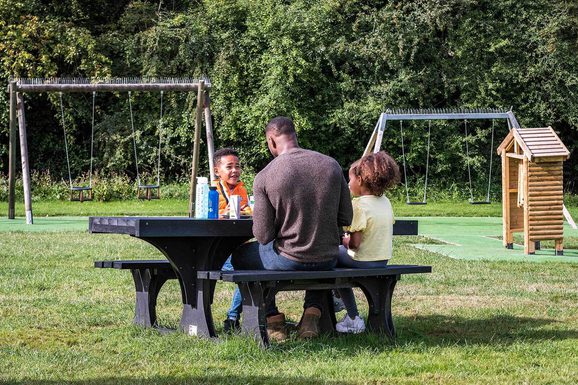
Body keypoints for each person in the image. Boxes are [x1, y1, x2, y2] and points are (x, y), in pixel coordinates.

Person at [232, 116, 353, 341]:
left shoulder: (266, 175)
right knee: (316, 256)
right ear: (295, 136)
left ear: (271, 141)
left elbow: (263, 235)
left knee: (240, 256)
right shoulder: (331, 165)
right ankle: (312, 313)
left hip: (288, 258)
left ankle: (273, 320)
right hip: (328, 257)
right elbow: (346, 216)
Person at [335, 151, 400, 333]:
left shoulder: (359, 205)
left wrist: (345, 240)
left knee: (329, 255)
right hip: (382, 260)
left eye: (350, 180)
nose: (348, 184)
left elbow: (355, 244)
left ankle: (352, 315)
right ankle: (339, 301)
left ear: (361, 180)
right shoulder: (385, 202)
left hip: (363, 260)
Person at [212, 147, 250, 333]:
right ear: (217, 170)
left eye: (237, 166)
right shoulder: (212, 190)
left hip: (239, 245)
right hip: (218, 249)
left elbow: (247, 210)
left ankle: (233, 318)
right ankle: (233, 317)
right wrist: (223, 214)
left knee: (251, 272)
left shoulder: (241, 189)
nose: (235, 170)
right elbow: (209, 216)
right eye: (229, 166)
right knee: (247, 274)